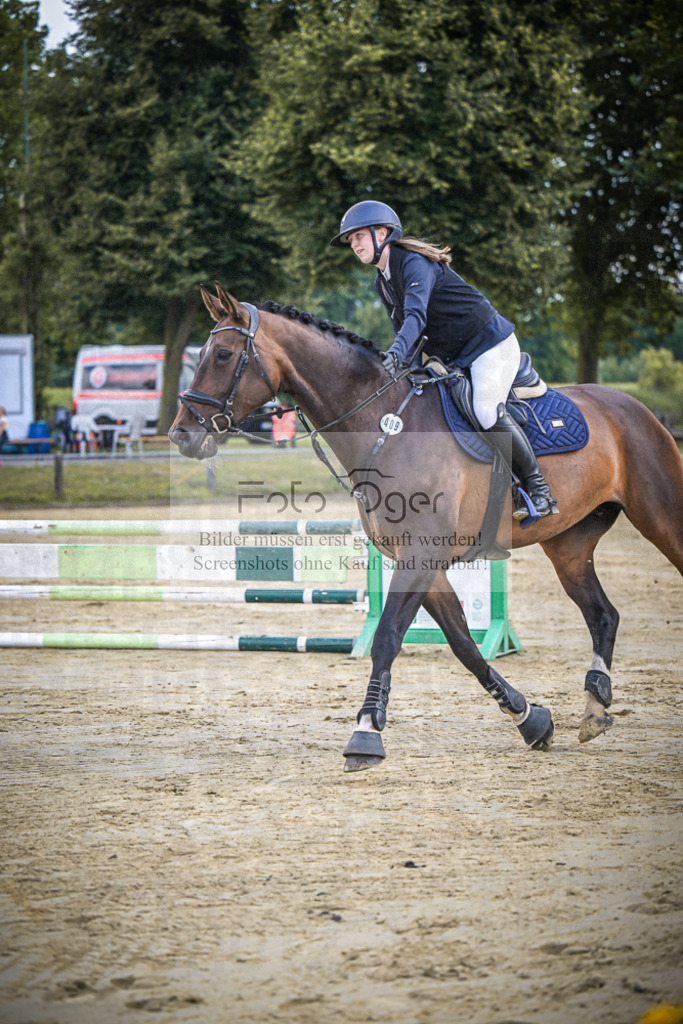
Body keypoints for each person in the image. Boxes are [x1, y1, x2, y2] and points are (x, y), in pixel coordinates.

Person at [330, 200, 558, 520]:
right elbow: (402, 331)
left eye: (358, 236)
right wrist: (396, 370)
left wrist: (395, 354)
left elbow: (415, 319)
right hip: (453, 355)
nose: (353, 244)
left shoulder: (413, 263)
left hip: (489, 344)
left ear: (382, 233)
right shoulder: (382, 279)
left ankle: (539, 491)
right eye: (349, 240)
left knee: (484, 409)